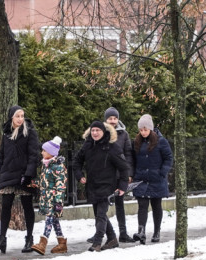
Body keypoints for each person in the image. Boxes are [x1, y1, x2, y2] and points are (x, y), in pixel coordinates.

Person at [0, 105, 42, 254]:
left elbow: (34, 156)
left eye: (22, 116)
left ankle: (29, 239)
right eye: (17, 116)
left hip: (24, 174)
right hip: (8, 173)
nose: (20, 119)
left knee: (27, 206)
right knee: (6, 205)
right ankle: (1, 240)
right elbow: (2, 156)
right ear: (11, 117)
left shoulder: (30, 132)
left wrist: (28, 174)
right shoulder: (6, 133)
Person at [74, 119, 130, 251]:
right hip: (92, 185)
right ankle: (112, 239)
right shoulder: (87, 146)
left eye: (97, 130)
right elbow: (77, 161)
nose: (95, 133)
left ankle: (97, 243)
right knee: (100, 215)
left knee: (100, 215)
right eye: (92, 130)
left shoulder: (112, 147)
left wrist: (122, 186)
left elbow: (124, 168)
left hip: (108, 186)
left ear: (103, 132)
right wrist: (79, 175)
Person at [131, 114, 173, 244]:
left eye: (145, 129)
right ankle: (141, 231)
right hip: (141, 179)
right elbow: (133, 159)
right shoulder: (137, 142)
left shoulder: (161, 141)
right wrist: (133, 174)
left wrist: (162, 172)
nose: (143, 132)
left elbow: (168, 157)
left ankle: (156, 231)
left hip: (156, 179)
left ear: (150, 128)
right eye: (141, 130)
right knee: (142, 206)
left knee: (156, 206)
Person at [30, 136, 68, 255]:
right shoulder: (46, 165)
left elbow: (61, 186)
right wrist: (33, 184)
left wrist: (58, 201)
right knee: (54, 221)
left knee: (49, 220)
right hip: (47, 198)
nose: (42, 152)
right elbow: (44, 183)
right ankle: (62, 244)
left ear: (51, 153)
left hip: (54, 200)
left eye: (44, 150)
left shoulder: (58, 167)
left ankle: (43, 243)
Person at [103, 107, 135, 244]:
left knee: (120, 204)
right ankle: (101, 231)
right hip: (104, 174)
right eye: (110, 118)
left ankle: (123, 232)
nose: (113, 121)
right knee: (101, 205)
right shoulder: (101, 132)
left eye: (115, 118)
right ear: (106, 119)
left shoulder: (124, 134)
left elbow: (128, 154)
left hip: (119, 174)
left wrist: (128, 173)